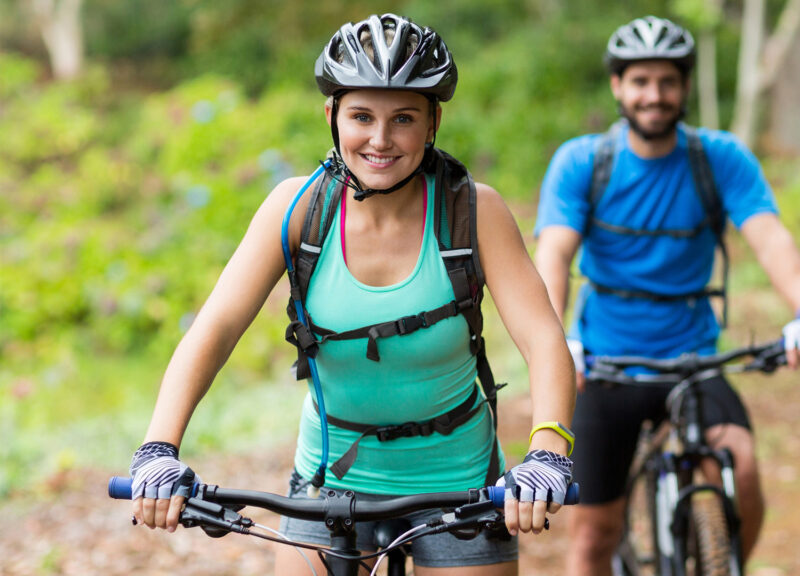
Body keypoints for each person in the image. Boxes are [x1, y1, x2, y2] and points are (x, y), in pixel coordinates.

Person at [127, 14, 576, 576]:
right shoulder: (296, 211)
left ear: (433, 122)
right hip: (328, 482)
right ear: (332, 115)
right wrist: (158, 448)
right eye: (362, 116)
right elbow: (214, 330)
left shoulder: (472, 210)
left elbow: (543, 339)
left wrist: (547, 451)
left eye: (403, 119)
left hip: (460, 484)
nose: (381, 140)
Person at [533, 15, 800, 575]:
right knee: (593, 536)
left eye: (667, 81)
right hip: (604, 364)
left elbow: (767, 235)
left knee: (740, 468)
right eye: (640, 81)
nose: (655, 95)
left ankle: (721, 563)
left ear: (685, 87)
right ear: (617, 86)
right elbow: (553, 253)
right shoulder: (583, 162)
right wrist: (559, 341)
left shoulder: (718, 157)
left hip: (694, 359)